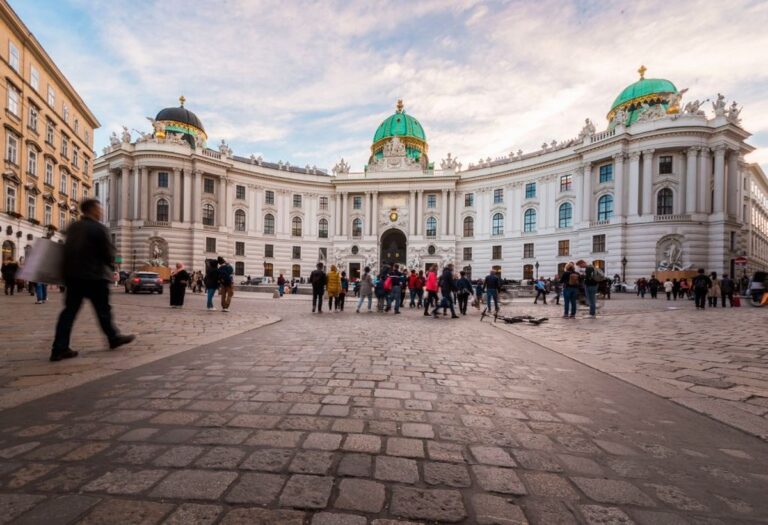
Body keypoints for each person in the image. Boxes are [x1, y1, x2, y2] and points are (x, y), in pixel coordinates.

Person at [50, 199, 135, 362]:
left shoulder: (73, 227)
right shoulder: (98, 228)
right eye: (99, 209)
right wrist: (111, 264)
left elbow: (66, 252)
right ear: (92, 210)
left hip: (74, 277)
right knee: (103, 311)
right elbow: (107, 253)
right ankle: (113, 338)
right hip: (95, 277)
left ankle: (59, 348)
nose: (101, 212)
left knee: (68, 313)